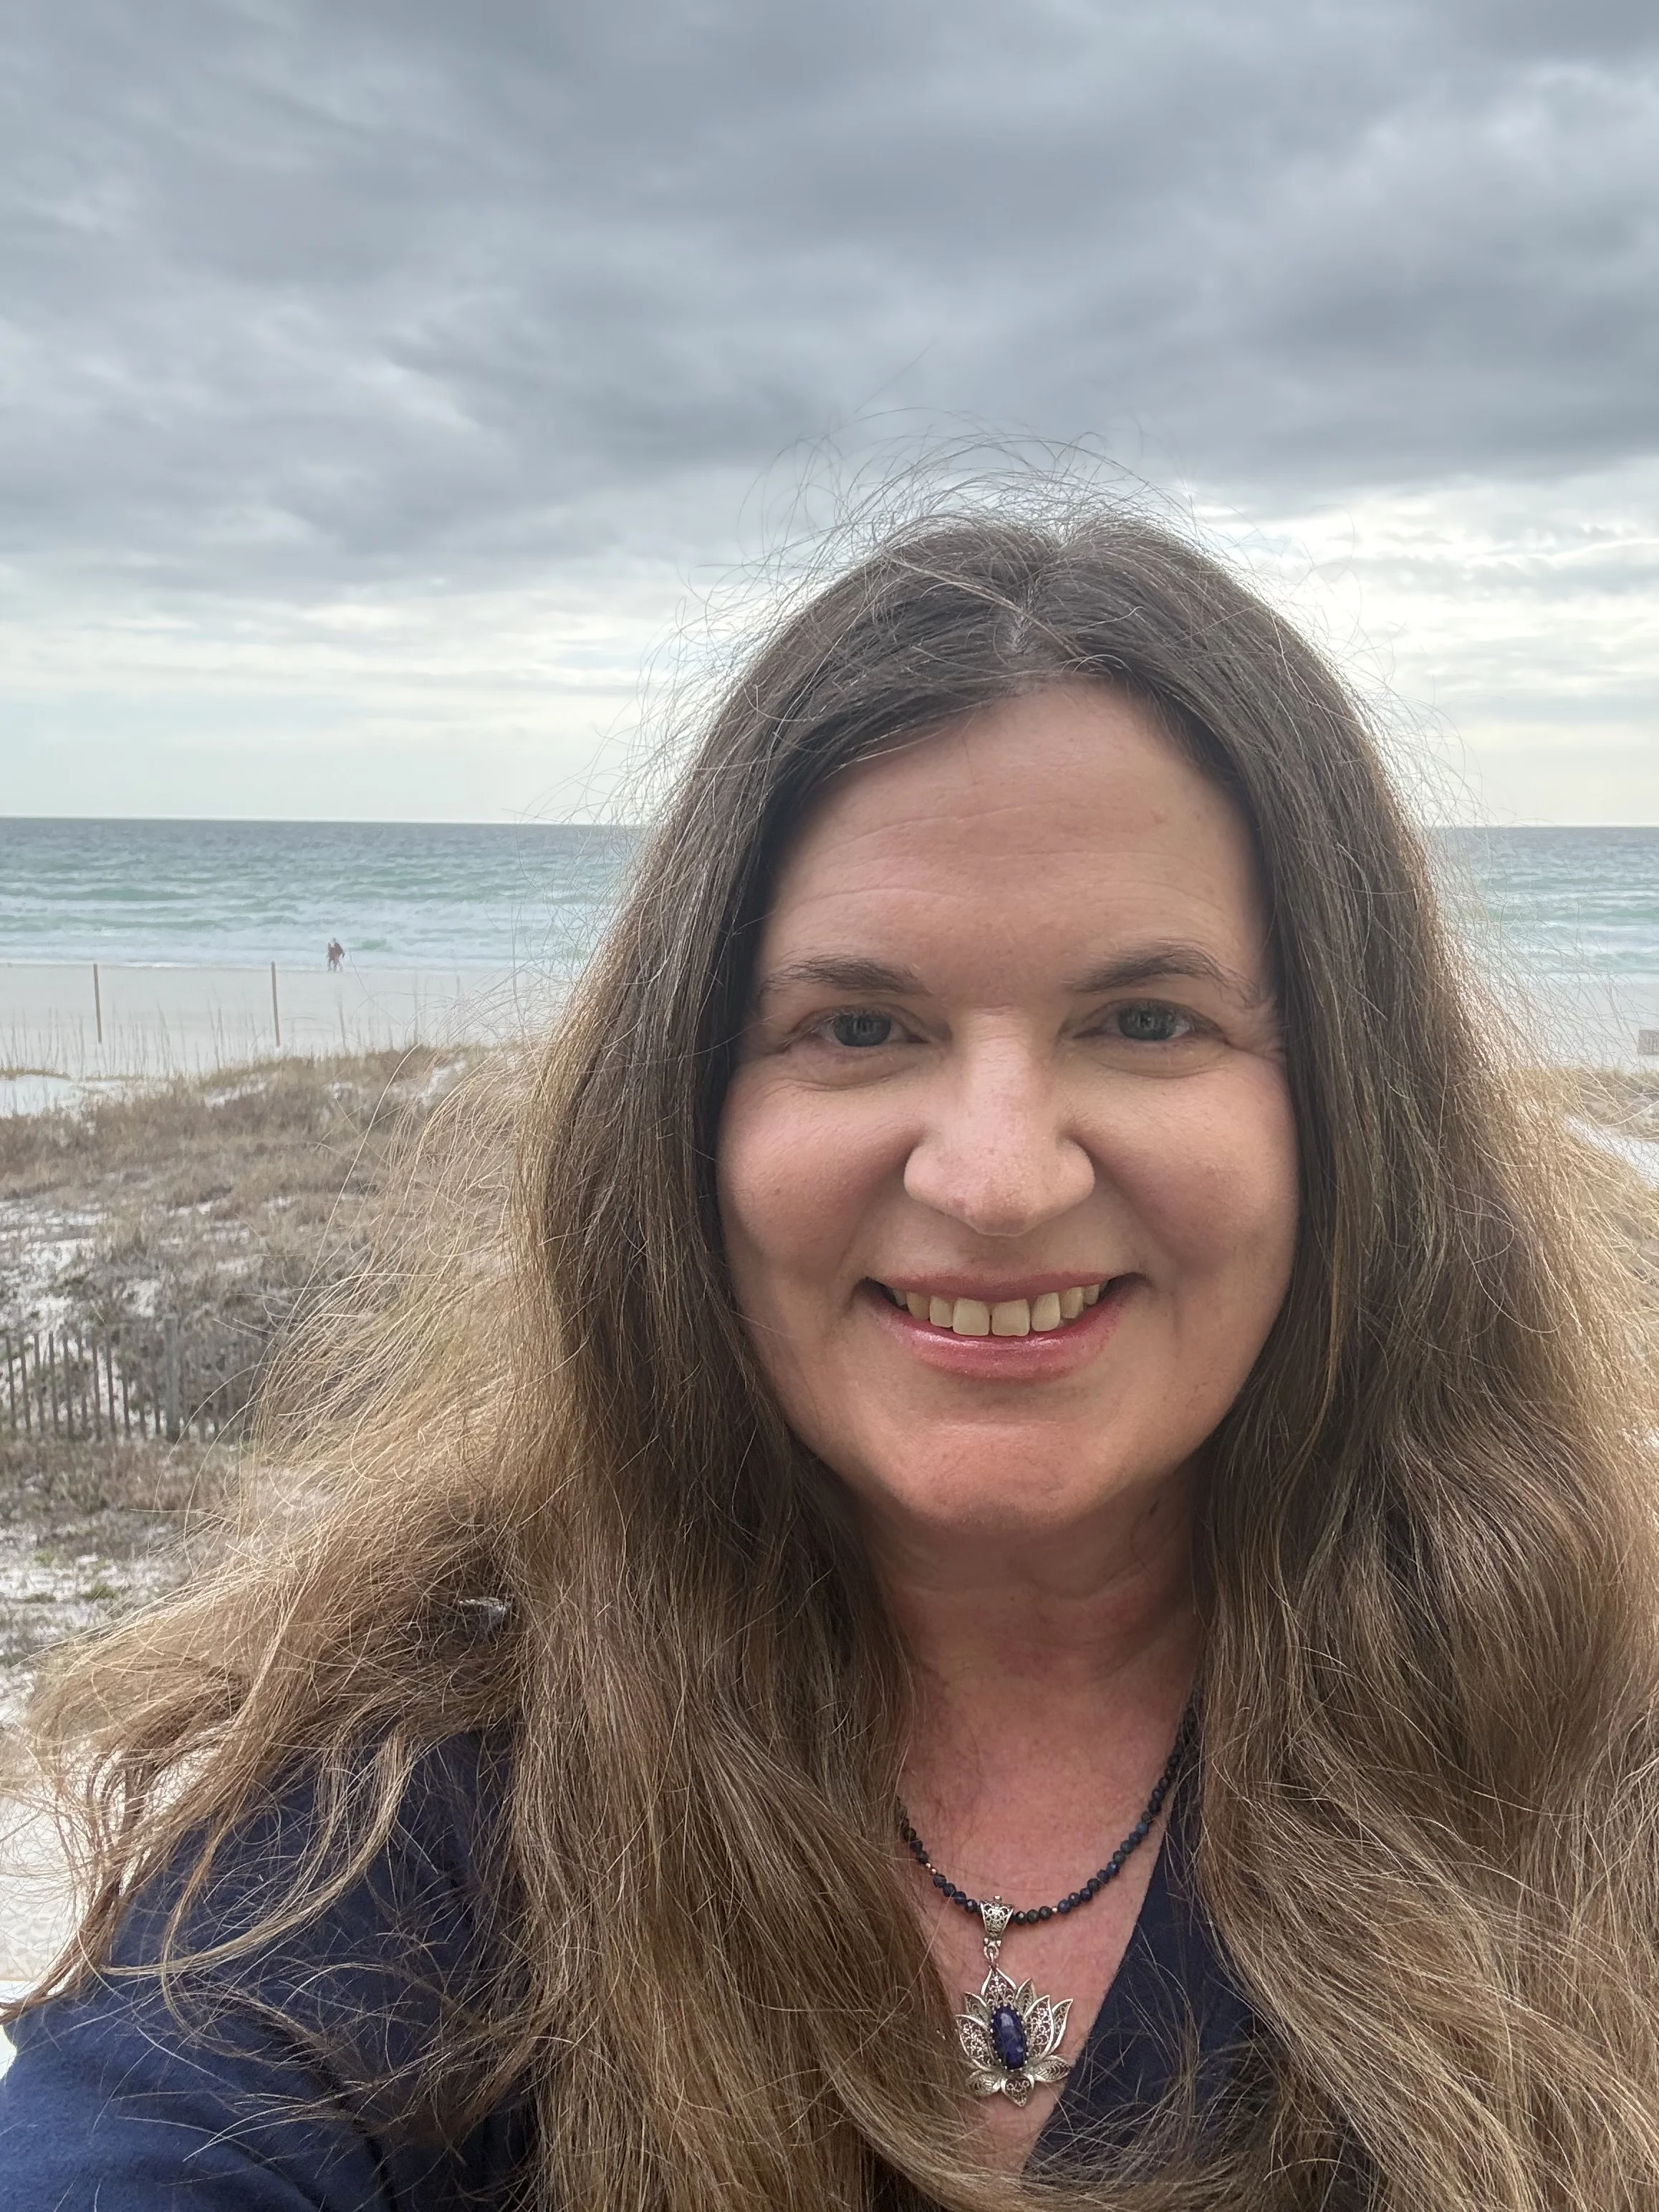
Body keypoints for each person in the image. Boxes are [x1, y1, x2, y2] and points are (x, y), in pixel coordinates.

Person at [5, 502, 1659, 2210]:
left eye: (1147, 1019)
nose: (1000, 1178)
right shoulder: (416, 1778)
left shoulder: (1599, 1747)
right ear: (690, 1118)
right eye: (859, 1026)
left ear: (1348, 1119)